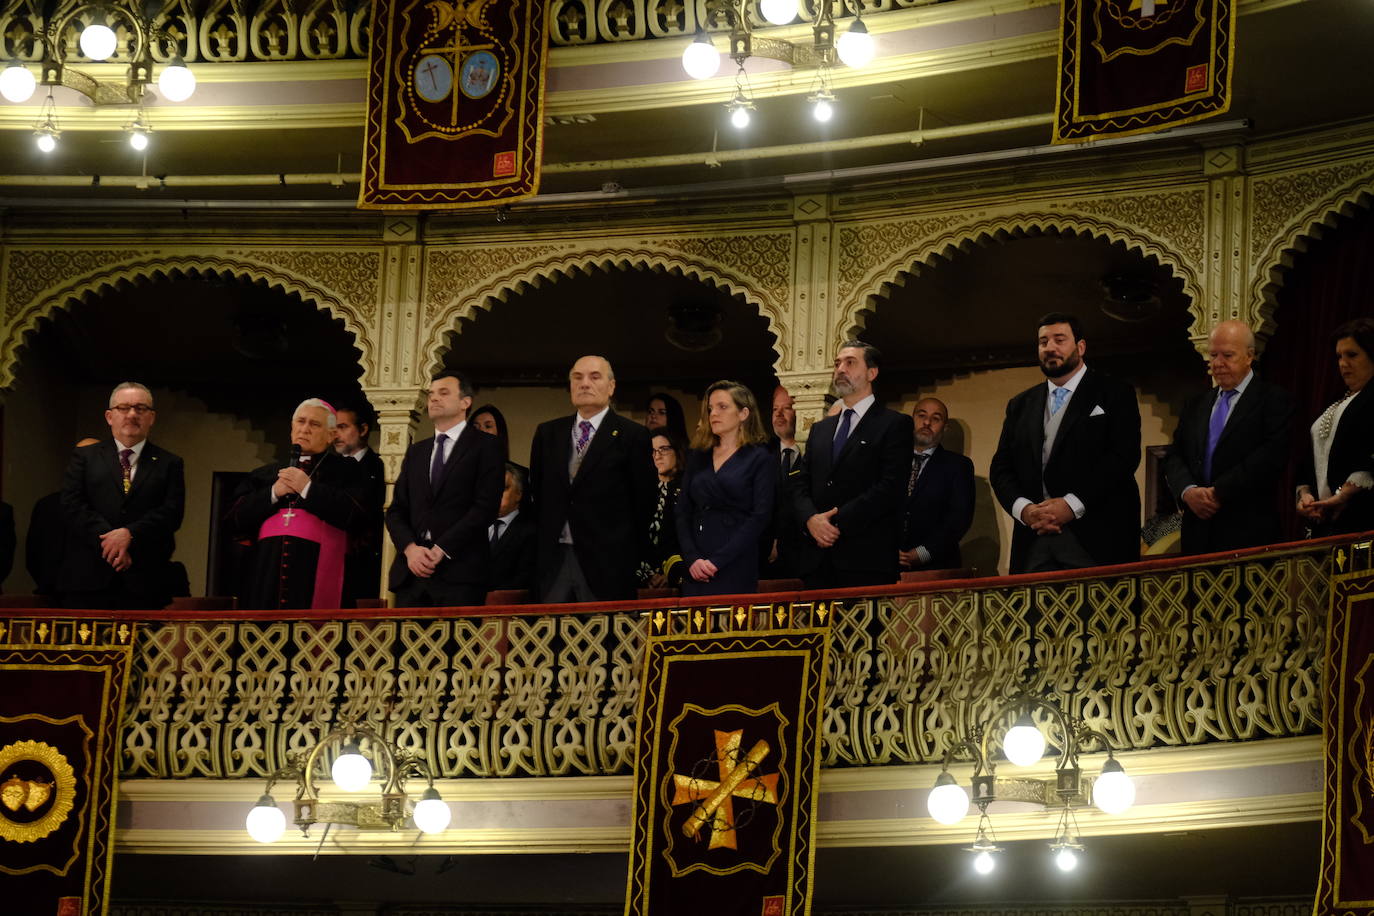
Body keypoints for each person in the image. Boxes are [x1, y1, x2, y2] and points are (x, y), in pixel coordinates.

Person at [989, 312, 1142, 574]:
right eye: (1043, 342)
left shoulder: (1115, 392)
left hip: (1097, 539)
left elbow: (1122, 457)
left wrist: (1071, 504)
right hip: (1034, 541)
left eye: (1059, 340)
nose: (1050, 347)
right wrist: (1025, 510)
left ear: (1080, 347)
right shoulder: (1020, 405)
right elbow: (1001, 467)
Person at [529, 355, 656, 603]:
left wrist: (625, 552)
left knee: (605, 627)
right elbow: (538, 492)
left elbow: (644, 502)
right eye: (577, 377)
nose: (584, 383)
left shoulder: (632, 435)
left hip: (608, 562)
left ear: (611, 386)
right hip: (553, 560)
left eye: (594, 377)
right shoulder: (548, 433)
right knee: (549, 627)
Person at [1163, 321, 1295, 554]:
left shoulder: (1273, 399)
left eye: (1228, 355)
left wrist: (1218, 491)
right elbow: (1175, 455)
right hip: (1197, 533)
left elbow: (1271, 456)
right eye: (1213, 355)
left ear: (1249, 356)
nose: (1218, 363)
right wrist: (1188, 491)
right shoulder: (1195, 404)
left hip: (1248, 531)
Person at [791, 341, 914, 588]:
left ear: (872, 373)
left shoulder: (893, 424)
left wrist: (834, 522)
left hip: (865, 560)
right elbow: (801, 482)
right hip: (817, 559)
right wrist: (811, 519)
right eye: (837, 364)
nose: (840, 369)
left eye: (850, 363)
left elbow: (890, 487)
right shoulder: (820, 429)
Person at [226, 399, 369, 609]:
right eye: (301, 422)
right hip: (266, 573)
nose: (305, 429)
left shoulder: (349, 471)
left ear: (331, 435)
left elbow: (358, 515)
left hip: (315, 569)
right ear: (292, 428)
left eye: (315, 424)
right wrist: (274, 492)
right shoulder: (263, 474)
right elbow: (233, 518)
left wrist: (308, 488)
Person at [59, 383, 185, 609]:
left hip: (145, 582)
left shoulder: (170, 463)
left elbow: (172, 513)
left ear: (152, 417)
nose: (132, 414)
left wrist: (130, 534)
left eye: (140, 408)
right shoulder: (85, 457)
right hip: (88, 581)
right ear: (109, 416)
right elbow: (72, 505)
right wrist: (111, 542)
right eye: (124, 408)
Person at [386, 372, 505, 607]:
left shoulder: (486, 445)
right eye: (431, 394)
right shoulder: (417, 451)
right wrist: (410, 549)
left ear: (465, 402)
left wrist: (441, 549)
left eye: (443, 393)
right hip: (412, 573)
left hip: (460, 574)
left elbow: (485, 508)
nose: (434, 398)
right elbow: (396, 510)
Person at [676, 381, 776, 596]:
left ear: (743, 413)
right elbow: (682, 510)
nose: (713, 414)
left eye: (722, 407)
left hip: (735, 560)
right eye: (710, 408)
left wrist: (717, 561)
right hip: (696, 563)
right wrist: (692, 558)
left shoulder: (759, 458)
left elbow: (760, 516)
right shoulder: (698, 455)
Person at [1297, 317, 1374, 536]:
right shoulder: (1336, 400)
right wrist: (1305, 495)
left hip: (1363, 520)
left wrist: (1345, 493)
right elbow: (1309, 459)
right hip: (1326, 525)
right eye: (1339, 356)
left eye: (1352, 355)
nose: (1342, 363)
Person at [900, 397, 975, 571]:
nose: (927, 423)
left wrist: (922, 553)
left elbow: (959, 518)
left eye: (936, 418)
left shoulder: (958, 466)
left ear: (945, 428)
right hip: (887, 565)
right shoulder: (890, 460)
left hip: (936, 567)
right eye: (921, 416)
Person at [29, 438, 100, 597]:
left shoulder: (116, 507)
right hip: (51, 594)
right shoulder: (47, 505)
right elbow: (34, 555)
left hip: (98, 597)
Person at [334, 404, 387, 604]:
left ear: (363, 429)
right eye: (333, 428)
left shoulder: (380, 467)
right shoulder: (326, 468)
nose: (336, 434)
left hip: (365, 561)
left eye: (342, 427)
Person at [761, 384, 806, 580]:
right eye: (774, 409)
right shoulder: (762, 454)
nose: (778, 414)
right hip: (765, 559)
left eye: (787, 408)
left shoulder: (812, 453)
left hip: (802, 554)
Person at [640, 431, 685, 588]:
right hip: (643, 576)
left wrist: (672, 573)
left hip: (681, 571)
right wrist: (647, 575)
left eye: (663, 449)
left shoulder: (689, 488)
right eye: (653, 451)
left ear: (677, 451)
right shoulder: (641, 490)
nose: (657, 456)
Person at [488, 462, 537, 592]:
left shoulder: (531, 531)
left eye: (503, 488)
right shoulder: (473, 527)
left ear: (518, 494)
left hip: (507, 600)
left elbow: (524, 578)